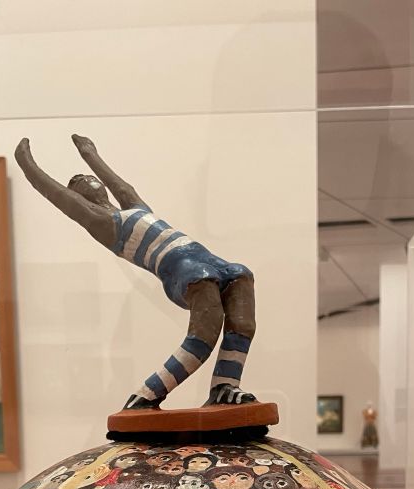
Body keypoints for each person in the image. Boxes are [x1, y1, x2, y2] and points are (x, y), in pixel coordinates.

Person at [14, 134, 258, 410]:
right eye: (77, 181)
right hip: (182, 269)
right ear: (79, 196)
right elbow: (60, 195)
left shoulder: (134, 208)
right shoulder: (104, 223)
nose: (84, 178)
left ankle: (225, 386)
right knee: (205, 332)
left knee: (240, 278)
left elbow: (120, 185)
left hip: (204, 257)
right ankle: (148, 394)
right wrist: (28, 165)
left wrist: (89, 154)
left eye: (86, 176)